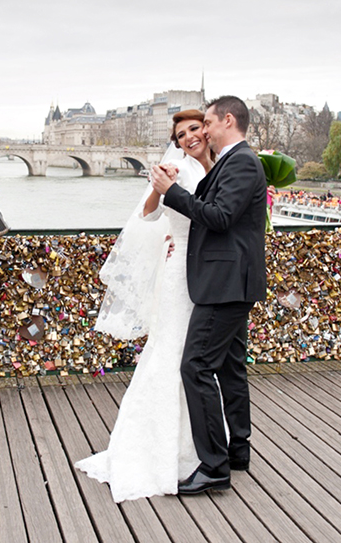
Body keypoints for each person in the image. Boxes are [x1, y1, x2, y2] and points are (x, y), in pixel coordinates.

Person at [75, 110, 213, 502]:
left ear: (207, 129)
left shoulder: (219, 166)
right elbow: (149, 214)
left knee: (194, 360)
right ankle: (165, 450)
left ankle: (197, 446)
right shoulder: (177, 169)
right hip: (180, 275)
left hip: (203, 273)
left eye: (193, 129)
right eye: (181, 133)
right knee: (172, 356)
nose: (188, 137)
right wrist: (159, 185)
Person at [151, 95, 267, 495]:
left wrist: (172, 192)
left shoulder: (242, 162)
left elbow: (218, 217)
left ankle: (214, 466)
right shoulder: (236, 162)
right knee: (231, 366)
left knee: (195, 366)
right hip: (231, 279)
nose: (204, 130)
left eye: (208, 123)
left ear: (227, 121)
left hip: (225, 283)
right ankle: (238, 449)